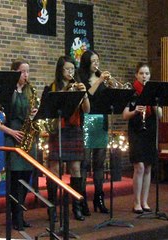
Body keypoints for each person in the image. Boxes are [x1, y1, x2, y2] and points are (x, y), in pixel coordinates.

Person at [0, 59, 38, 230]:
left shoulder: (30, 91)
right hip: (13, 137)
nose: (26, 75)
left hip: (28, 137)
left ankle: (19, 214)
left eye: (28, 72)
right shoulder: (6, 92)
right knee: (15, 179)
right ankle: (14, 216)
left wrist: (35, 114)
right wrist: (10, 131)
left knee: (26, 178)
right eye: (23, 72)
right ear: (14, 72)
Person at [43, 55, 90, 221]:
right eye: (67, 69)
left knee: (76, 168)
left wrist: (83, 94)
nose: (70, 72)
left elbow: (87, 109)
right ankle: (52, 208)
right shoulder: (52, 87)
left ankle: (76, 207)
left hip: (74, 129)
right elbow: (48, 110)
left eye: (72, 69)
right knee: (55, 169)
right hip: (58, 130)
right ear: (60, 70)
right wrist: (65, 92)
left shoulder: (78, 86)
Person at [122, 62, 162, 214]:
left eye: (147, 74)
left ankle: (145, 201)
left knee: (148, 166)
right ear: (136, 75)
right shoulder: (132, 92)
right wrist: (135, 111)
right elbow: (125, 115)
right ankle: (136, 202)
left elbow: (160, 115)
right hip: (137, 130)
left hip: (150, 130)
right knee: (139, 166)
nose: (144, 76)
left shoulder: (153, 92)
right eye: (141, 73)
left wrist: (156, 104)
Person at [78, 50, 110, 215]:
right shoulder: (81, 79)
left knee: (99, 164)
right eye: (93, 61)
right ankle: (82, 200)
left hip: (101, 121)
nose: (96, 64)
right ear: (86, 63)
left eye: (98, 60)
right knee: (85, 163)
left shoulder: (101, 78)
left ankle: (99, 198)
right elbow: (88, 94)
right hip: (87, 121)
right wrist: (100, 81)